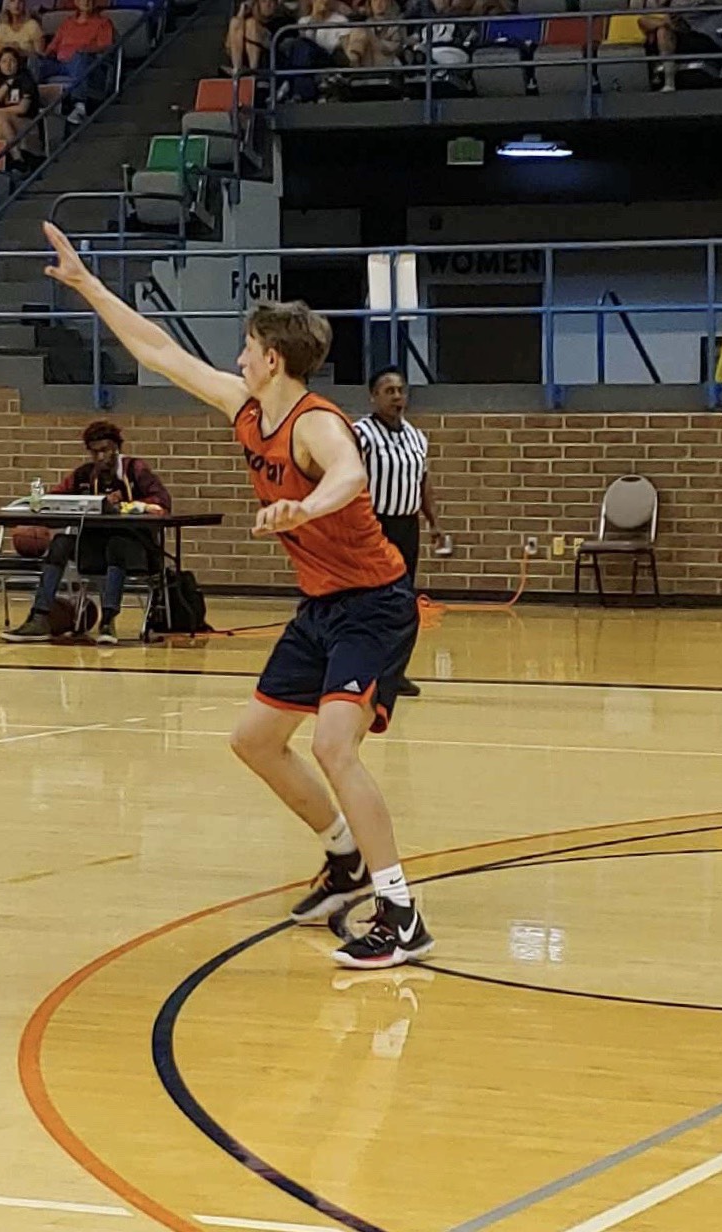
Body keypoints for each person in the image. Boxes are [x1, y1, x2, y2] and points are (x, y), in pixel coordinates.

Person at [41, 222, 432, 969]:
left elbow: (351, 475)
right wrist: (88, 285)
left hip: (374, 603)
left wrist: (303, 507)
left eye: (247, 347)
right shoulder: (246, 408)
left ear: (272, 358)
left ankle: (401, 913)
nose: (238, 358)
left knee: (333, 746)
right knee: (254, 740)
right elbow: (159, 351)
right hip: (321, 606)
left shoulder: (317, 425)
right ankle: (344, 858)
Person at [1, 420, 173, 646]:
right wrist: (43, 503)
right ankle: (39, 617)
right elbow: (55, 498)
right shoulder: (84, 475)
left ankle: (108, 620)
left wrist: (130, 505)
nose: (101, 457)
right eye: (95, 452)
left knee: (117, 545)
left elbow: (162, 501)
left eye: (105, 450)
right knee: (61, 543)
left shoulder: (135, 469)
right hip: (94, 547)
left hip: (135, 548)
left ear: (117, 448)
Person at [352, 367, 440, 697]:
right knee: (371, 601)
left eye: (401, 390)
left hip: (406, 526)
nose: (397, 397)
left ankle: (394, 672)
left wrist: (434, 522)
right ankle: (361, 671)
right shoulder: (360, 434)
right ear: (373, 396)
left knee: (404, 603)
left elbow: (423, 481)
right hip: (374, 526)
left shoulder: (417, 437)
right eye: (389, 391)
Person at [36, 0, 114, 123]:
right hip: (60, 62)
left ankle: (79, 106)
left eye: (90, 0)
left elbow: (104, 47)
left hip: (85, 62)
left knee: (79, 57)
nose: (86, 2)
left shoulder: (103, 23)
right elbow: (54, 45)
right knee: (35, 62)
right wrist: (41, 56)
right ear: (76, 2)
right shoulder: (68, 22)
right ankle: (30, 101)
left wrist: (84, 49)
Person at [637, 0, 722, 91]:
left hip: (698, 32)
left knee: (663, 31)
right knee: (651, 25)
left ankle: (669, 81)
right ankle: (667, 78)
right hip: (676, 29)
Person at [0, 46, 40, 143]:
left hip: (26, 121)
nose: (8, 65)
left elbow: (22, 109)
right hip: (2, 117)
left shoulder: (26, 79)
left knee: (1, 117)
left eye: (12, 61)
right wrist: (6, 85)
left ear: (18, 63)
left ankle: (13, 151)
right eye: (4, 61)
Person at [227, 0, 283, 74]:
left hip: (270, 50)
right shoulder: (247, 18)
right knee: (235, 22)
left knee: (251, 24)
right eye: (264, 1)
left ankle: (253, 70)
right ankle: (237, 69)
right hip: (243, 52)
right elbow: (228, 44)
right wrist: (242, 11)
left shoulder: (281, 19)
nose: (268, 4)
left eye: (271, 1)